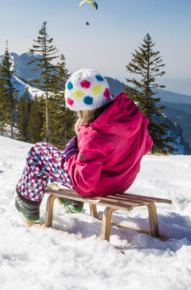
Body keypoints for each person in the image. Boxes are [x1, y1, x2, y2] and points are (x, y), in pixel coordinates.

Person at [14, 69, 153, 224]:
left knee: (39, 152)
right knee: (63, 159)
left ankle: (27, 202)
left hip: (98, 186)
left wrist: (72, 152)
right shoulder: (131, 118)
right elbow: (146, 145)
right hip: (122, 182)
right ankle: (71, 200)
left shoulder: (93, 135)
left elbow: (83, 183)